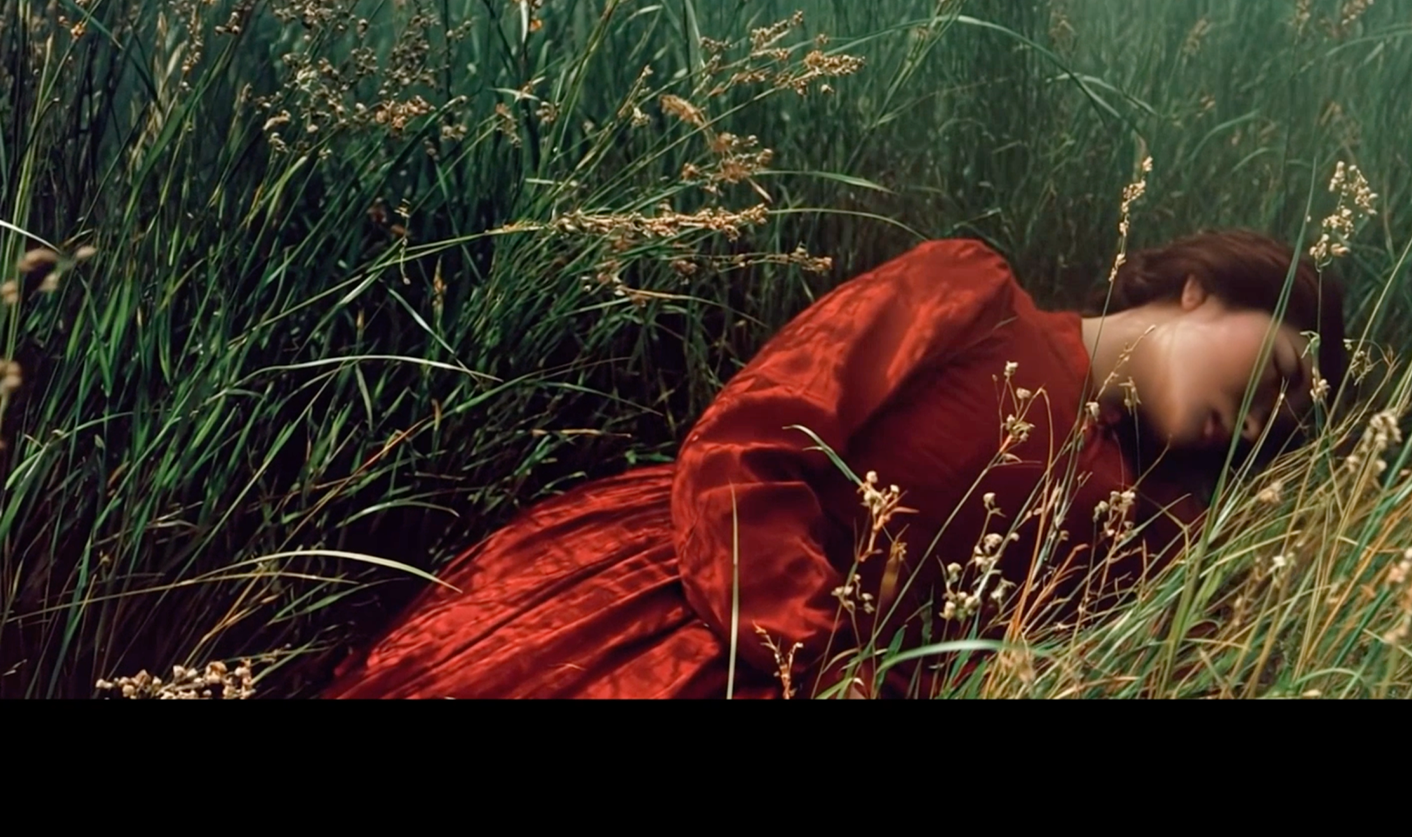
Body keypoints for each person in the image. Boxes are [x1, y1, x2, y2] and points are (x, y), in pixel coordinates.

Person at [324, 230, 1345, 699]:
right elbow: (749, 438)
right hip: (678, 601)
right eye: (1282, 371)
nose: (1262, 420)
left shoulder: (1148, 523)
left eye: (1285, 426)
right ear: (1203, 285)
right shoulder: (975, 295)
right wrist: (815, 661)